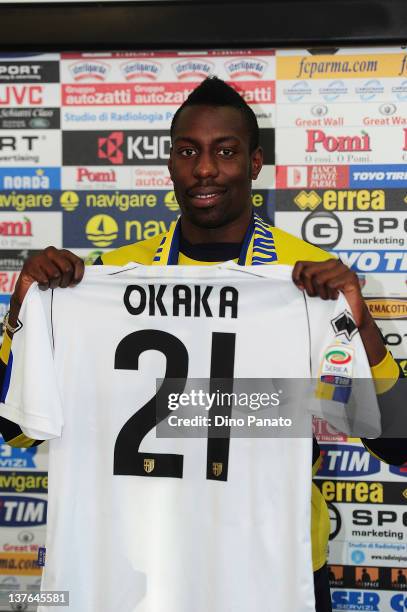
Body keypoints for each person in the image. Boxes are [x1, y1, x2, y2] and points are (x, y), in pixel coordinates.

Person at [0, 77, 405, 612]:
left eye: (226, 152)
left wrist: (359, 322)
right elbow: (14, 430)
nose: (205, 169)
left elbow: (396, 442)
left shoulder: (305, 282)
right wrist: (20, 314)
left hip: (273, 568)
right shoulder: (104, 278)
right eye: (188, 152)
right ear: (169, 165)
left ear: (256, 162)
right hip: (139, 570)